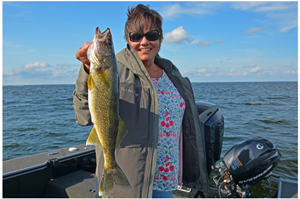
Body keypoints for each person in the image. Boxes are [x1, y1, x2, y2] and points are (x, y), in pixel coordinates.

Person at [73, 4, 208, 198]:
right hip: (130, 181)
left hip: (166, 178)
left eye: (152, 35)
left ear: (160, 38)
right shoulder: (115, 68)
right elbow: (84, 114)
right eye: (136, 36)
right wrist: (87, 69)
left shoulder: (172, 73)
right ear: (128, 40)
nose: (144, 42)